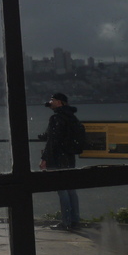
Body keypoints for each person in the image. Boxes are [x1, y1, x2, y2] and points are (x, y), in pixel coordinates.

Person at [39, 92, 82, 230]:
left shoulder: (56, 118)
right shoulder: (71, 117)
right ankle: (75, 220)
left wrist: (44, 158)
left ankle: (66, 222)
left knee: (62, 190)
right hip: (69, 157)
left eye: (52, 100)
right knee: (71, 189)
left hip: (57, 158)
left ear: (59, 102)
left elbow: (53, 140)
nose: (50, 102)